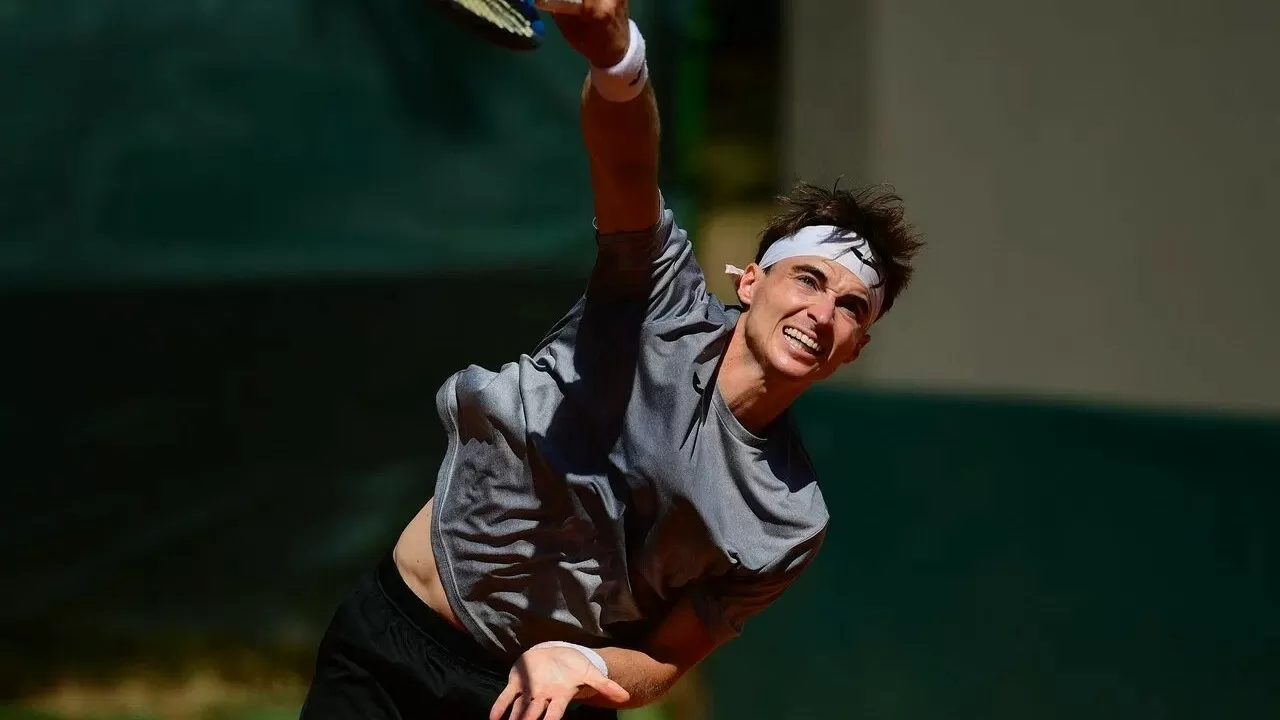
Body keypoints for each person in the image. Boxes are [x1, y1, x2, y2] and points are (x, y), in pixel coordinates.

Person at [299, 1, 923, 718]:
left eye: (852, 307)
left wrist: (587, 661)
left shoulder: (788, 520)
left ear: (855, 348)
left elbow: (667, 658)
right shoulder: (658, 299)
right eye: (808, 279)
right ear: (751, 282)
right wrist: (616, 58)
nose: (822, 312)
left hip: (541, 703)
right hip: (393, 643)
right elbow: (626, 161)